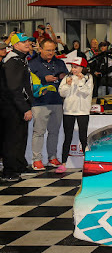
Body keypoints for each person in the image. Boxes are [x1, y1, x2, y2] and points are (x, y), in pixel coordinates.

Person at [28, 38, 69, 171]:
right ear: (40, 49)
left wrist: (64, 77)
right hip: (39, 102)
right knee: (39, 132)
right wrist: (43, 79)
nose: (51, 53)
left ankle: (52, 157)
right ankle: (37, 160)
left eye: (53, 50)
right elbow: (27, 83)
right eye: (48, 50)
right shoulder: (32, 64)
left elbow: (67, 77)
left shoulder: (60, 62)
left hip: (57, 101)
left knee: (54, 132)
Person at [0, 34, 34, 182]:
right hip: (11, 107)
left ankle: (19, 165)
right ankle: (9, 171)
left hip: (16, 105)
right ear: (15, 45)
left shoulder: (20, 59)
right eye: (23, 42)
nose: (27, 44)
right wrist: (24, 108)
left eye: (28, 41)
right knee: (12, 139)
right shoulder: (13, 61)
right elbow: (14, 88)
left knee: (20, 137)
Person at [57, 57, 93, 173]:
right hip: (68, 111)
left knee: (83, 137)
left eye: (76, 67)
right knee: (67, 137)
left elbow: (86, 92)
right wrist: (68, 85)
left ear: (82, 68)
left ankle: (87, 162)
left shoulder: (88, 78)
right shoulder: (67, 78)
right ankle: (63, 163)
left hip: (83, 111)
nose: (74, 69)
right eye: (72, 67)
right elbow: (62, 93)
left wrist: (81, 81)